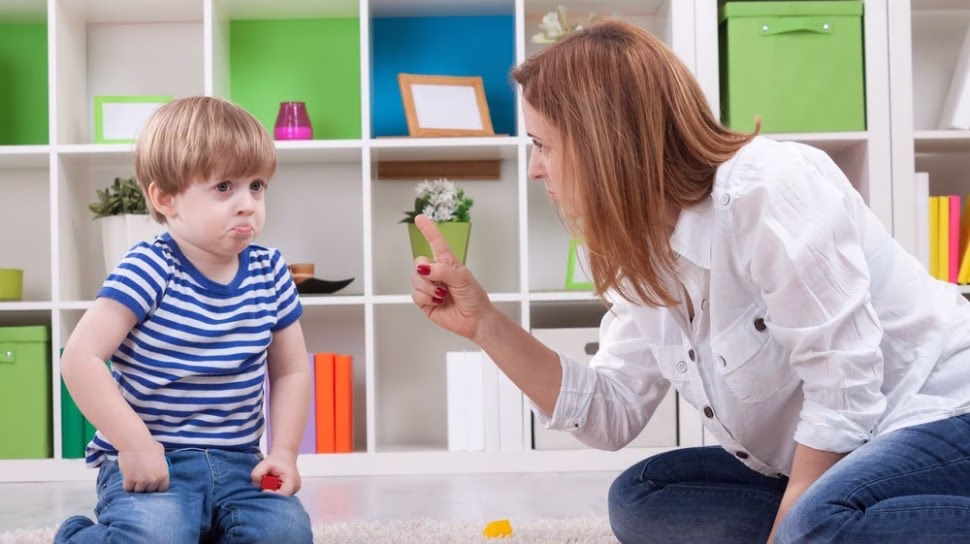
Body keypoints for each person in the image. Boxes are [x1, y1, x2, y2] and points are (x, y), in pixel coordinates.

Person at [409, 19, 970, 544]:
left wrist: (797, 518)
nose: (535, 169)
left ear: (603, 140)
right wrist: (485, 324)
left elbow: (844, 389)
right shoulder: (642, 249)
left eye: (542, 144)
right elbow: (612, 411)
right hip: (848, 450)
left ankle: (830, 521)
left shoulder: (768, 188)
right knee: (642, 497)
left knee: (815, 518)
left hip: (941, 410)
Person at [55, 96, 313, 543]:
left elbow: (290, 370)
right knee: (155, 535)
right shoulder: (149, 267)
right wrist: (134, 444)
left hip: (241, 465)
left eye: (257, 186)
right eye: (223, 188)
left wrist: (285, 453)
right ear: (165, 198)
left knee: (286, 533)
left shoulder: (271, 271)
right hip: (155, 462)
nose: (247, 204)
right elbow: (80, 359)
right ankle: (78, 536)